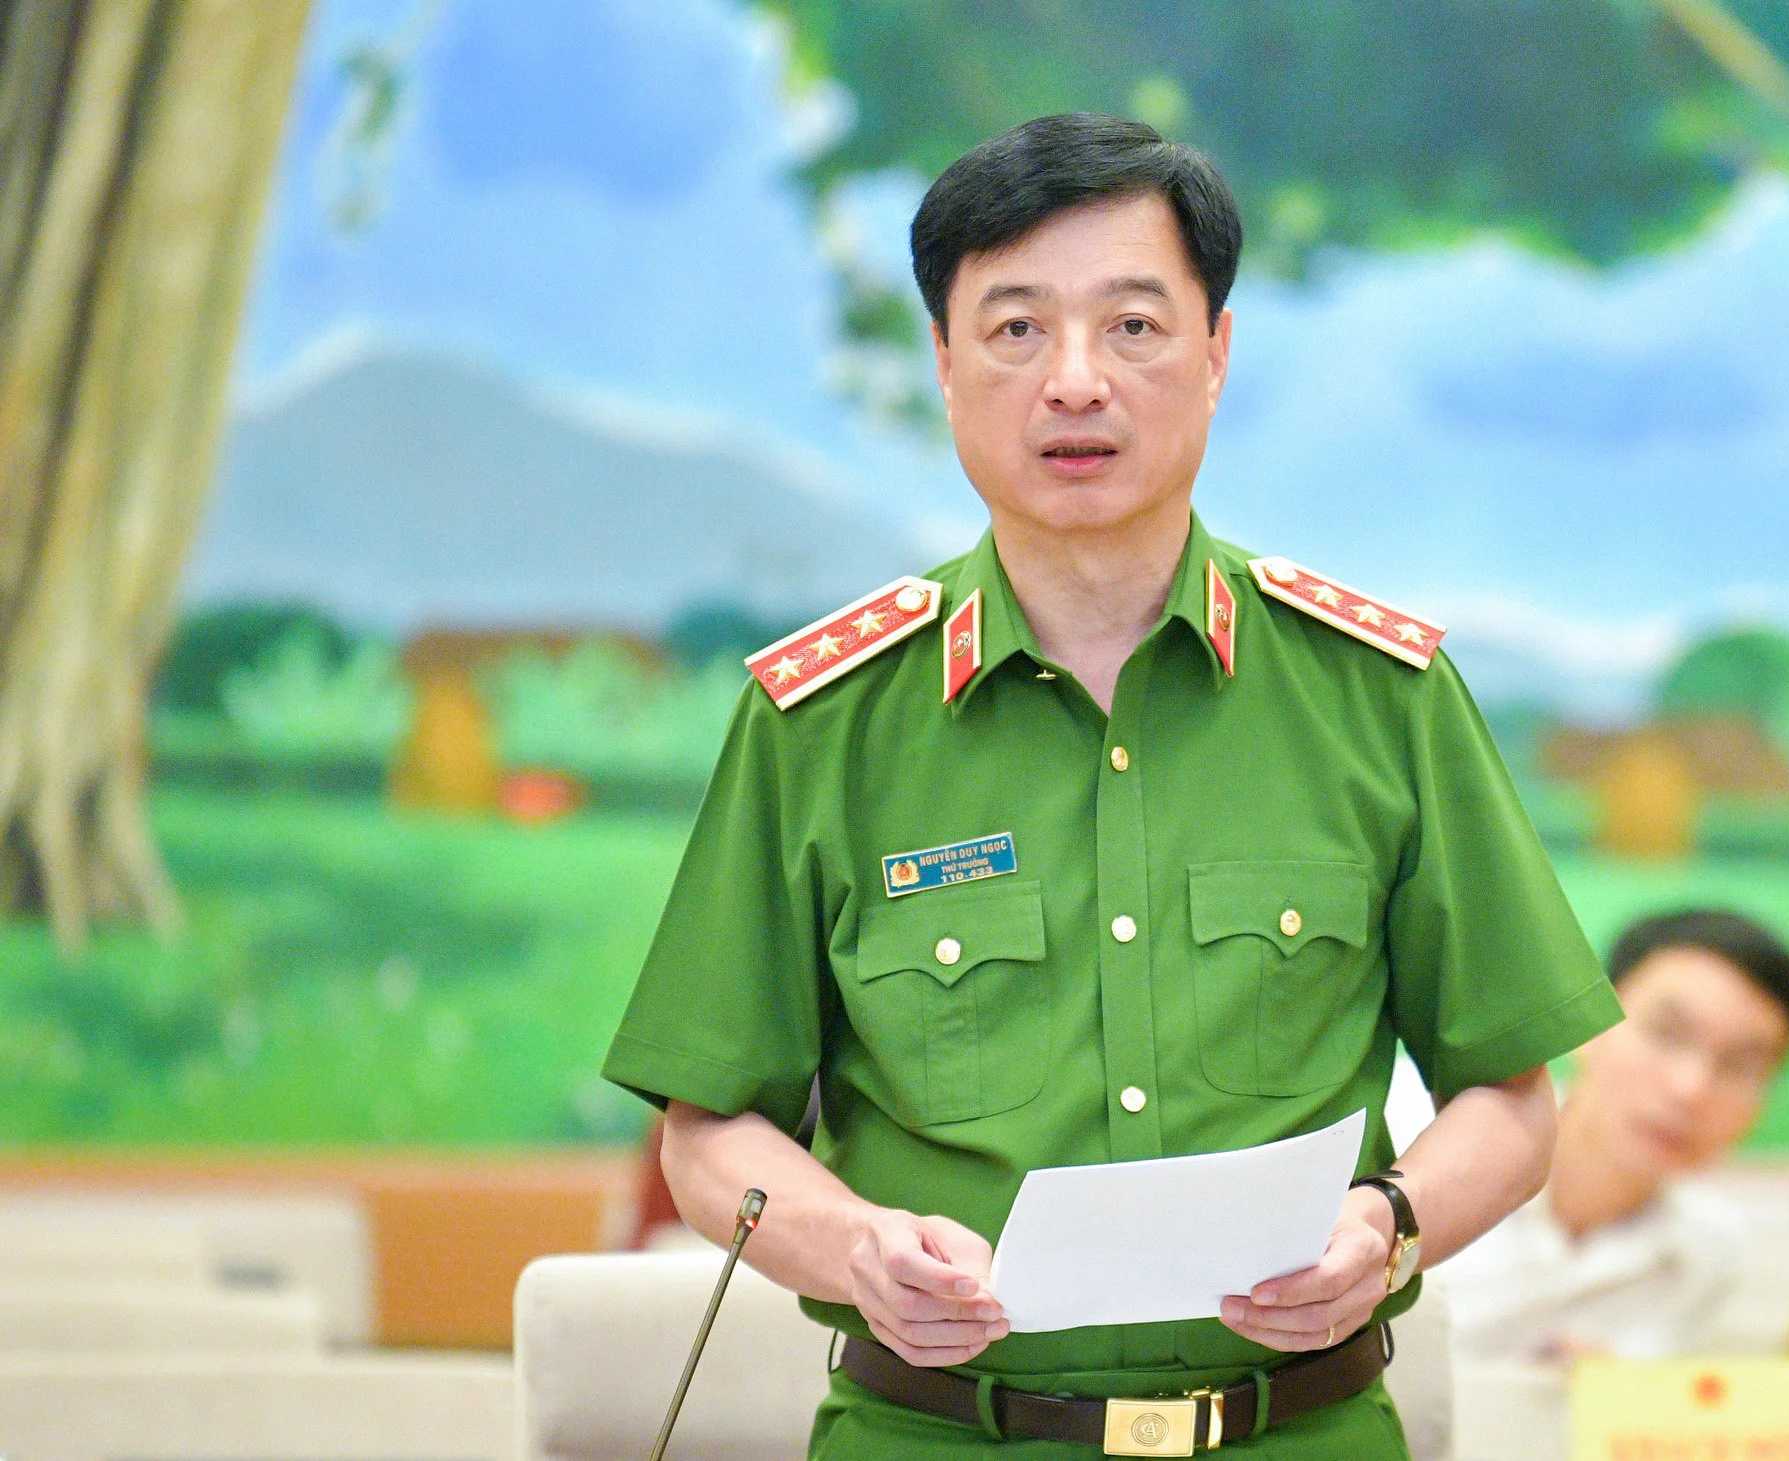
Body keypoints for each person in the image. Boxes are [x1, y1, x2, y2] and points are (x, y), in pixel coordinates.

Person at [599, 113, 1623, 1458]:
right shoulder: (823, 720)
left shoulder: (1382, 696)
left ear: (1216, 354)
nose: (1074, 382)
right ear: (944, 363)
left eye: (1132, 326)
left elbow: (1512, 1098)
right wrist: (854, 1247)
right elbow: (706, 1134)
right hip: (937, 1437)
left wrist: (1390, 1223)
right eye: (1016, 329)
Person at [1440, 908, 1789, 1362]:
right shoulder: (1416, 1129)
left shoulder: (1709, 1254)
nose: (1691, 1088)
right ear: (1587, 1022)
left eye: (1740, 1066)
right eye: (1666, 1034)